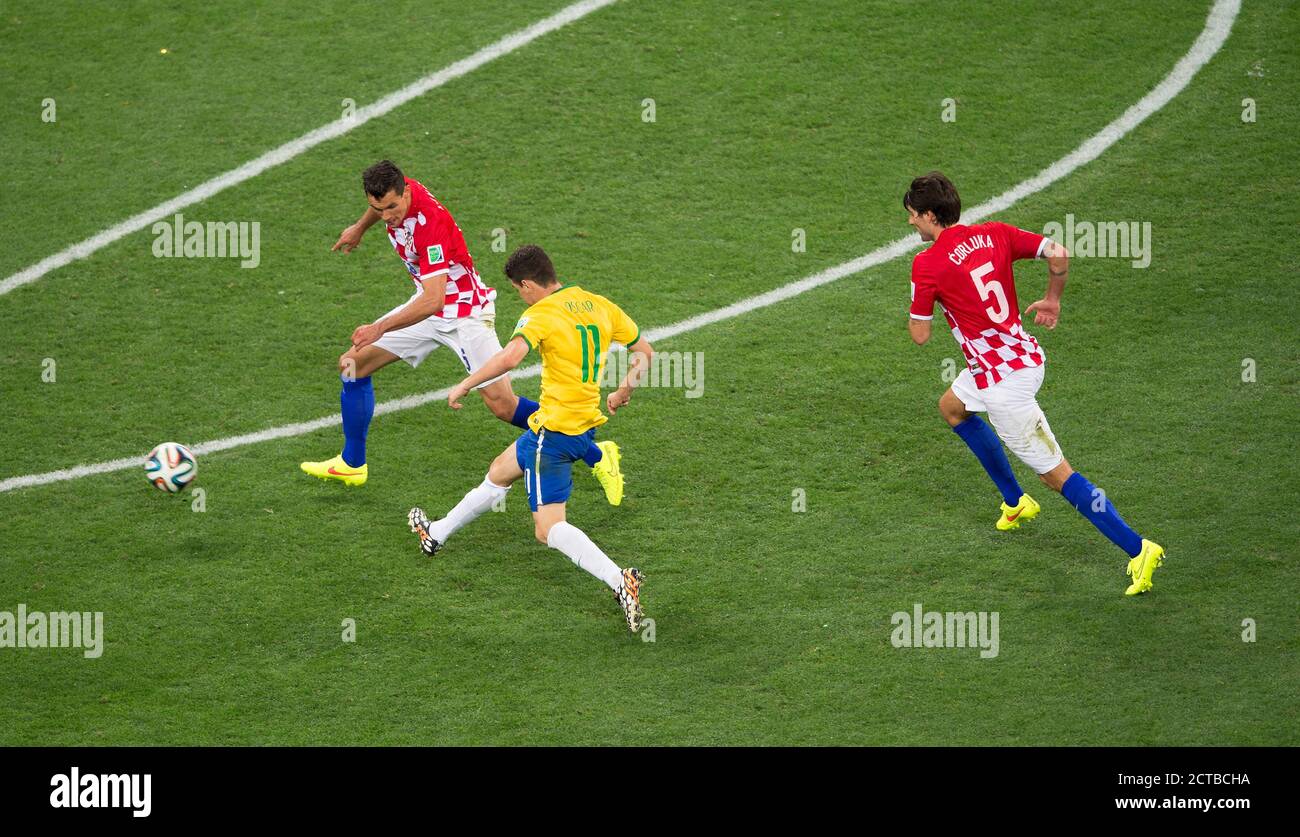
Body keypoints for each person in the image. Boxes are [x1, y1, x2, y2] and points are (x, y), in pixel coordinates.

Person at [300, 160, 621, 505]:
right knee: (352, 364)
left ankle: (596, 453)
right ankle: (352, 463)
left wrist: (379, 328)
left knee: (502, 405)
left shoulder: (430, 226)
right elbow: (383, 214)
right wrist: (360, 227)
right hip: (427, 307)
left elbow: (435, 298)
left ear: (406, 193)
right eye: (379, 208)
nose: (387, 215)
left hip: (464, 313)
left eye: (392, 207)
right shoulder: (396, 188)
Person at [904, 171, 1165, 595]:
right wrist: (1052, 300)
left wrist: (921, 297)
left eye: (913, 216)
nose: (911, 223)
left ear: (930, 215)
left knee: (1056, 475)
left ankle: (1138, 549)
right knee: (952, 407)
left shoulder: (927, 263)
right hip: (1021, 356)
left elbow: (920, 335)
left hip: (1001, 383)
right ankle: (1015, 502)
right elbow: (1058, 253)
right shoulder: (996, 232)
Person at [408, 244, 654, 631]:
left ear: (527, 284)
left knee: (548, 529)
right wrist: (623, 391)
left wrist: (465, 385)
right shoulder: (597, 304)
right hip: (581, 425)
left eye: (517, 289)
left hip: (552, 434)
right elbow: (645, 352)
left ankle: (620, 581)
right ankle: (435, 533)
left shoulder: (539, 314)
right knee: (500, 471)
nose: (519, 296)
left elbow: (508, 359)